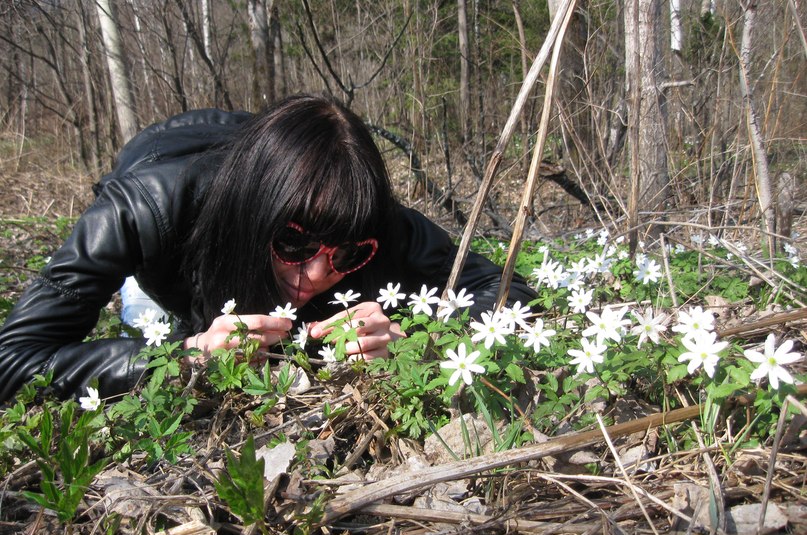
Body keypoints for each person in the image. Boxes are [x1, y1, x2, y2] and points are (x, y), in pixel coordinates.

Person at [0, 94, 536, 402]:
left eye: (348, 254)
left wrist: (415, 340)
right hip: (175, 229)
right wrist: (177, 360)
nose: (317, 274)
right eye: (294, 241)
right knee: (156, 326)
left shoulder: (376, 223)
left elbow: (509, 293)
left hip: (265, 164)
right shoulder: (147, 207)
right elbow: (14, 360)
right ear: (258, 222)